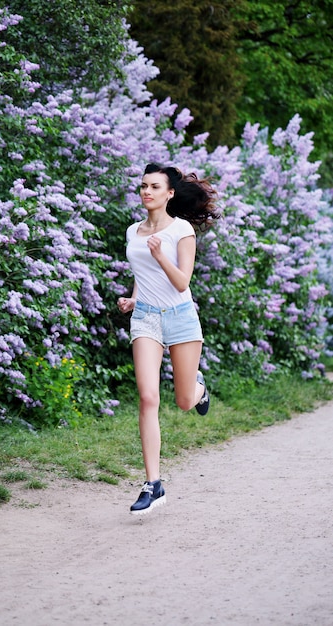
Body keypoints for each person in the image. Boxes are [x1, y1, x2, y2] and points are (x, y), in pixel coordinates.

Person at [117, 162, 219, 516]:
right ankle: (153, 484)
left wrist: (161, 255)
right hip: (145, 318)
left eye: (155, 187)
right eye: (143, 186)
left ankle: (198, 389)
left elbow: (181, 283)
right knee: (147, 397)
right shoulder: (133, 231)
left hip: (180, 320)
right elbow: (140, 274)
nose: (147, 191)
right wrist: (133, 298)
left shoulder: (182, 231)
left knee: (183, 401)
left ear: (170, 193)